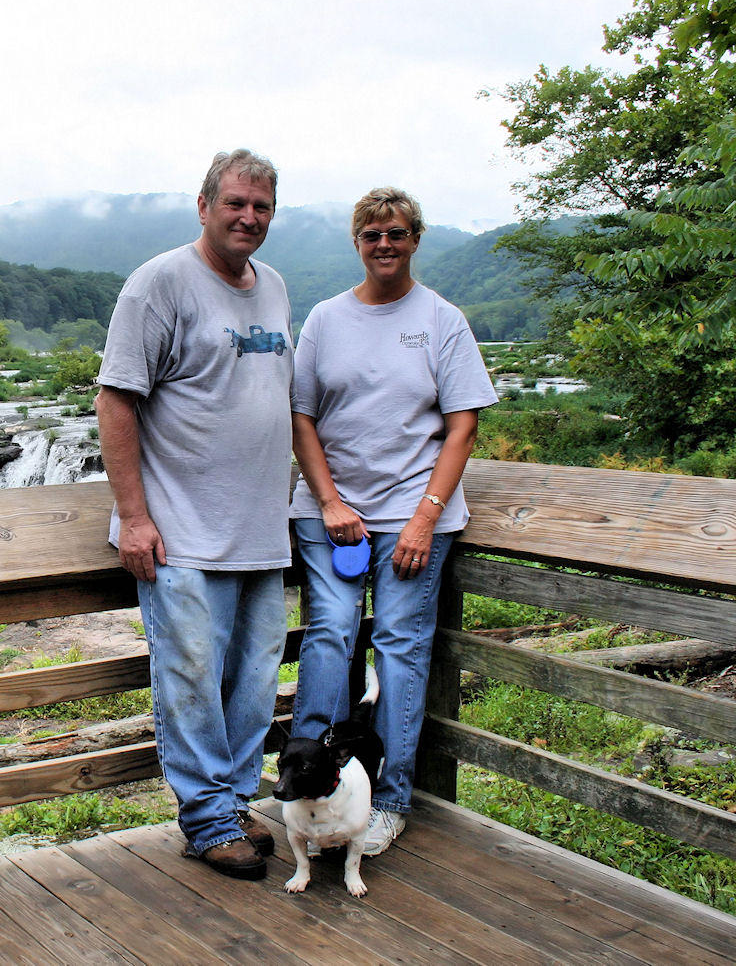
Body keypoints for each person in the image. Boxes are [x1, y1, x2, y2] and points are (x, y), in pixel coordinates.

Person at [96, 149, 297, 881]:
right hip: (180, 533)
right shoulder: (159, 283)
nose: (249, 217)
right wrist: (134, 515)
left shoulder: (273, 286)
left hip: (259, 533)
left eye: (263, 206)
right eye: (237, 203)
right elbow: (116, 399)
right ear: (205, 204)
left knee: (250, 682)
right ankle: (208, 819)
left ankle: (237, 803)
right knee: (190, 678)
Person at [288, 186, 497, 857]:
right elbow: (302, 416)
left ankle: (389, 799)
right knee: (330, 636)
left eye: (398, 233)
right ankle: (312, 792)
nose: (386, 244)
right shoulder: (325, 318)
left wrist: (423, 517)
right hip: (332, 515)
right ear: (357, 241)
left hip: (417, 518)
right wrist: (328, 501)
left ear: (415, 239)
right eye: (373, 233)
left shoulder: (442, 319)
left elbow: (463, 424)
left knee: (401, 647)